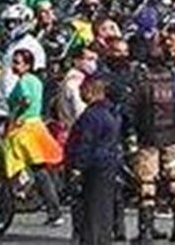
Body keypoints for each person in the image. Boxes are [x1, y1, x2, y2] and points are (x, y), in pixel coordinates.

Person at [131, 42, 175, 243]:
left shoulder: (142, 82)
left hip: (148, 138)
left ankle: (146, 231)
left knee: (146, 183)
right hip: (173, 136)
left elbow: (134, 110)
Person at [2, 47, 64, 226]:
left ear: (27, 65)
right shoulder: (36, 80)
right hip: (36, 126)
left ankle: (5, 207)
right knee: (40, 170)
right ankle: (54, 210)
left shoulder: (24, 82)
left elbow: (26, 100)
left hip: (24, 128)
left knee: (11, 165)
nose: (14, 65)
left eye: (18, 62)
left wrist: (15, 116)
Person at [67, 76, 122, 245]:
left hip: (93, 166)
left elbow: (84, 143)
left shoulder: (91, 116)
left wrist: (77, 167)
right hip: (108, 164)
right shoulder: (111, 113)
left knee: (90, 210)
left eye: (82, 89)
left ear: (91, 91)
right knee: (104, 209)